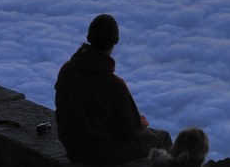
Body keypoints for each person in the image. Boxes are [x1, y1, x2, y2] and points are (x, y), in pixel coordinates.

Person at [55, 14, 171, 165]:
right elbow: (131, 132)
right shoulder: (112, 84)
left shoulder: (67, 69)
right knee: (163, 138)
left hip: (72, 148)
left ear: (88, 37)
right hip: (99, 153)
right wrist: (141, 123)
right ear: (116, 40)